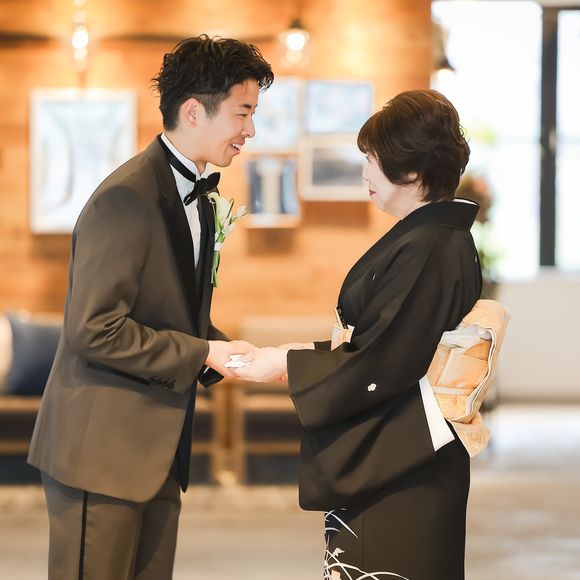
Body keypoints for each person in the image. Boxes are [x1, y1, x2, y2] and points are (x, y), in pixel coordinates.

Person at [28, 35, 273, 580]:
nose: (250, 130)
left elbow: (170, 314)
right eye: (243, 113)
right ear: (194, 111)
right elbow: (95, 330)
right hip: (101, 452)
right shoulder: (125, 198)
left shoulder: (199, 196)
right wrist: (203, 352)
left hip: (157, 451)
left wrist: (231, 354)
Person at [235, 89, 481, 580]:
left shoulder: (429, 247)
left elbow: (382, 362)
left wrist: (284, 363)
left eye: (372, 160)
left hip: (401, 462)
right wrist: (292, 353)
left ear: (410, 171)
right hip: (398, 451)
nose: (365, 172)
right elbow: (381, 343)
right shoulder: (429, 238)